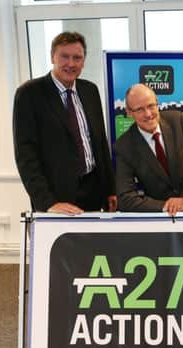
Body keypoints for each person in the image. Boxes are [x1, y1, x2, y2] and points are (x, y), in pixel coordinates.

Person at [13, 31, 116, 215]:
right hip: (56, 197)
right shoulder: (29, 94)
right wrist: (47, 202)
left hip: (93, 191)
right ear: (53, 56)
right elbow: (26, 156)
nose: (71, 63)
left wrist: (110, 189)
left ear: (83, 61)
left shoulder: (90, 90)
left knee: (95, 244)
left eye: (77, 58)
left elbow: (100, 143)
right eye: (64, 56)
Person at [115, 84, 183, 215]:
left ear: (157, 103)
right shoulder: (124, 146)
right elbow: (126, 198)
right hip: (159, 217)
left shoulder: (177, 121)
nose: (148, 114)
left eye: (151, 106)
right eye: (139, 109)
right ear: (129, 112)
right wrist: (167, 206)